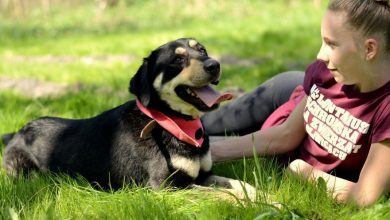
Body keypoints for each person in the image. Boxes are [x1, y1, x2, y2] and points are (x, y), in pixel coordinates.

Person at [201, 0, 390, 207]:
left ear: (369, 49)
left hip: (289, 138)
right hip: (284, 94)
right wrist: (210, 151)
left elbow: (365, 196)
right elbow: (287, 134)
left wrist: (302, 171)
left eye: (331, 44)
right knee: (198, 127)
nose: (320, 55)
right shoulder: (328, 72)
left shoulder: (385, 109)